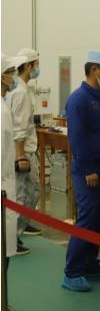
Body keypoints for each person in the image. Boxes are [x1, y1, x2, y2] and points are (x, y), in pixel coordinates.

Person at [62, 51, 100, 292]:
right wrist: (87, 169)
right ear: (95, 70)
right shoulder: (78, 99)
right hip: (90, 169)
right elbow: (77, 137)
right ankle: (72, 272)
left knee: (99, 219)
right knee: (87, 219)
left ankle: (90, 263)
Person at [7, 48, 42, 254]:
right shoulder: (20, 92)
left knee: (25, 193)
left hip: (19, 150)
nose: (37, 68)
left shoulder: (18, 90)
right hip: (22, 152)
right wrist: (21, 156)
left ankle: (18, 229)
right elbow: (19, 127)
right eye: (36, 64)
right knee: (26, 194)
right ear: (28, 66)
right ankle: (13, 236)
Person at [2, 53, 27, 311]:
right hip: (2, 188)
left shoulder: (4, 105)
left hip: (5, 186)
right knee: (2, 252)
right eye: (10, 72)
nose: (13, 76)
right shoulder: (1, 111)